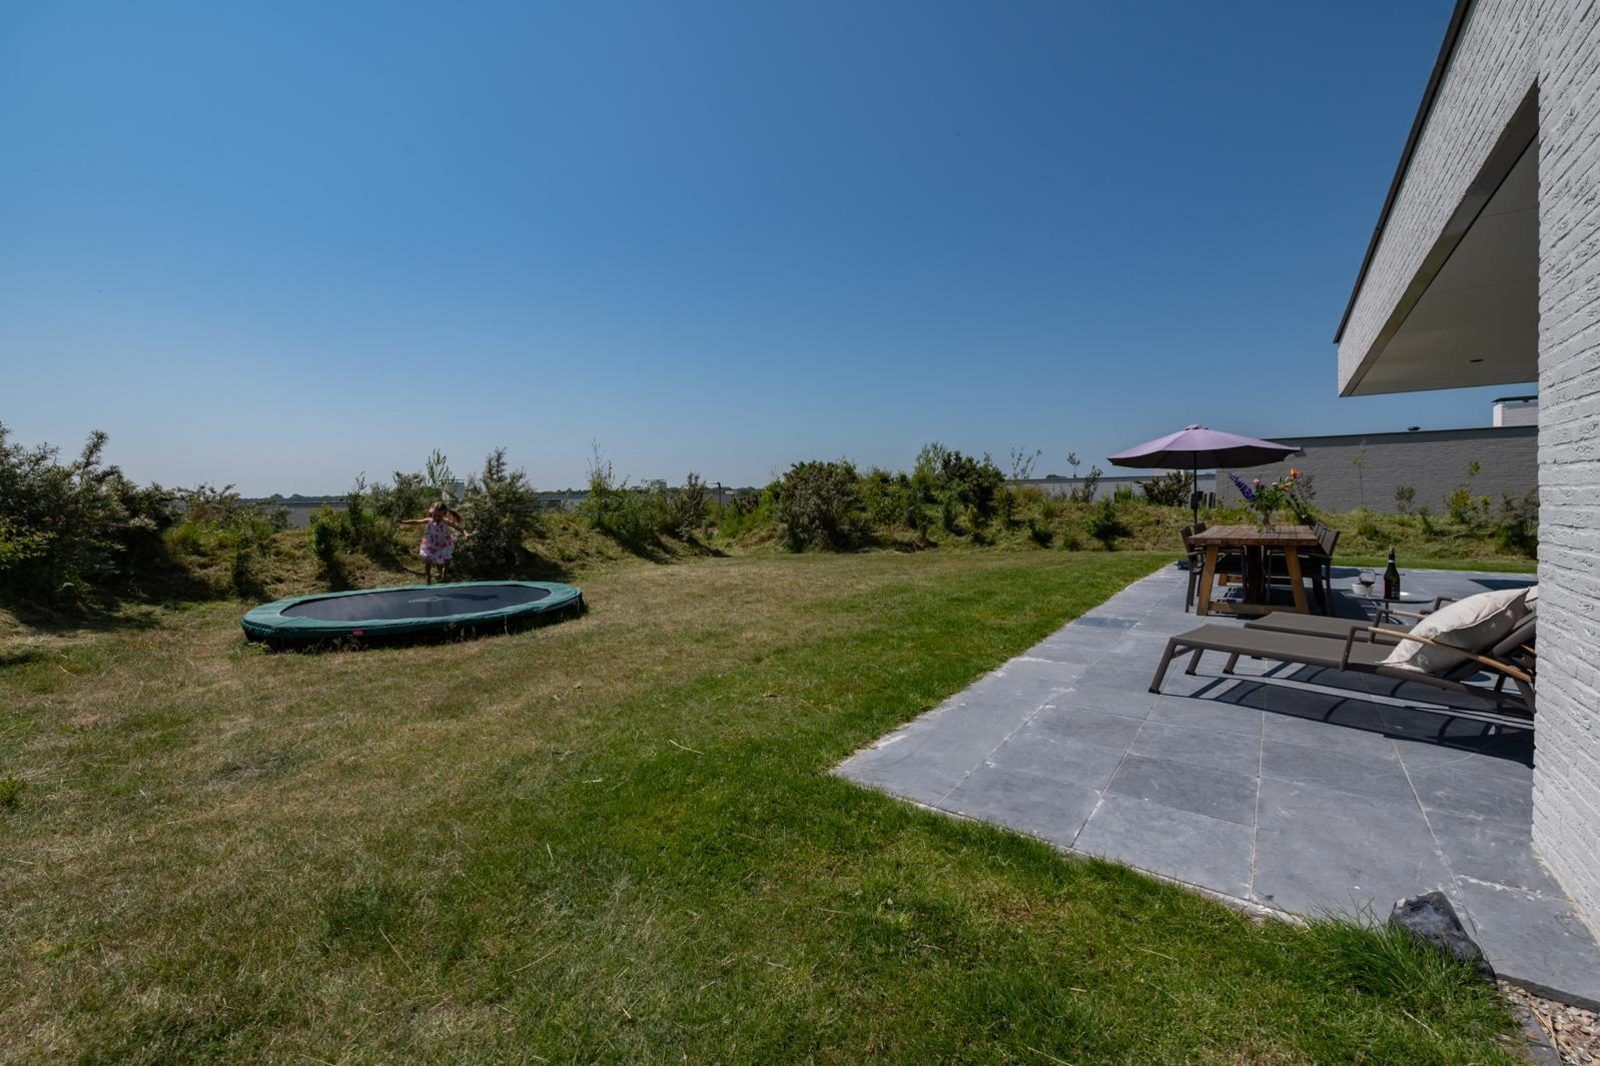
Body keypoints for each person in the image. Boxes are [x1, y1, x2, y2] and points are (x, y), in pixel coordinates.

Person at [398, 501, 468, 583]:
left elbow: (459, 528)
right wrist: (403, 522)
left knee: (447, 560)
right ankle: (428, 576)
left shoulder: (446, 522)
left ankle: (444, 573)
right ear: (431, 513)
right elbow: (416, 521)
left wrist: (465, 534)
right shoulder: (429, 520)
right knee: (428, 561)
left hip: (443, 544)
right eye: (434, 515)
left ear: (444, 515)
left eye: (439, 516)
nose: (436, 518)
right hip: (431, 545)